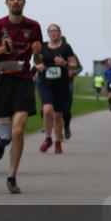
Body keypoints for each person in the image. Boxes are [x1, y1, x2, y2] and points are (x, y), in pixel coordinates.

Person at [0, 0, 44, 194]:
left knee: (18, 129)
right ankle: (0, 142)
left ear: (24, 2)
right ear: (6, 3)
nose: (16, 2)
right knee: (6, 135)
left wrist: (38, 54)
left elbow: (39, 59)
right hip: (2, 81)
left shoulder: (33, 26)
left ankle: (12, 176)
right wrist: (0, 50)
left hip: (24, 80)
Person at [36, 24, 78, 154]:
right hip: (45, 83)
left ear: (60, 33)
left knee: (58, 115)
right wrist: (38, 65)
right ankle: (48, 138)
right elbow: (36, 60)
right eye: (51, 31)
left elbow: (74, 65)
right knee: (47, 110)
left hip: (61, 85)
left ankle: (58, 141)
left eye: (56, 31)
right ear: (48, 33)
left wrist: (64, 63)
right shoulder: (42, 46)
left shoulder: (66, 47)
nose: (53, 33)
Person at [60, 36, 82, 140]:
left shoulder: (72, 55)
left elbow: (80, 67)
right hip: (51, 84)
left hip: (68, 83)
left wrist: (74, 72)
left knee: (66, 110)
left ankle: (67, 127)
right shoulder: (51, 54)